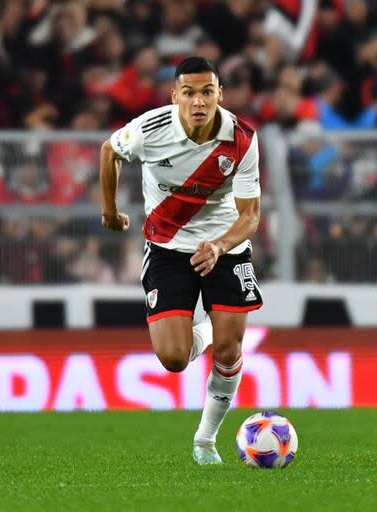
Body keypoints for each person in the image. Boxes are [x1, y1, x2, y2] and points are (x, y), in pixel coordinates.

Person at [99, 57, 262, 465]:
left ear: (220, 94)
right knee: (173, 358)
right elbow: (109, 151)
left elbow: (250, 216)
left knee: (229, 349)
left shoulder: (241, 139)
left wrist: (221, 246)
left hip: (225, 246)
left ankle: (205, 441)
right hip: (167, 247)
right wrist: (108, 210)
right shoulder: (150, 130)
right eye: (188, 92)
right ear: (175, 97)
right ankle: (202, 329)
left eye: (207, 91)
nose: (198, 101)